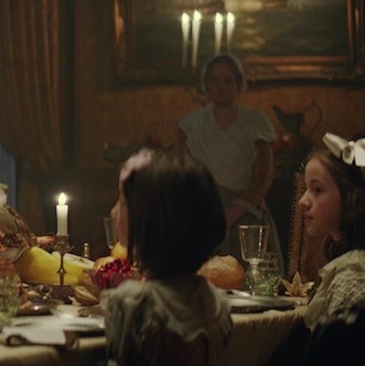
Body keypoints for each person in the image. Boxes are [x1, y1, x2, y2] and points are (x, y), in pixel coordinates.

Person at [107, 151, 232, 366]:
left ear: (148, 220)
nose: (114, 212)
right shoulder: (212, 300)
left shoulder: (136, 303)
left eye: (123, 203)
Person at [176, 53, 283, 267]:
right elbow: (185, 176)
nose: (221, 87)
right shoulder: (190, 126)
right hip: (204, 214)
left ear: (239, 84)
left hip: (247, 214)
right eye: (215, 81)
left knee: (250, 276)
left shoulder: (256, 122)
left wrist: (232, 215)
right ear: (206, 85)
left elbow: (264, 177)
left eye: (228, 80)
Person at [298, 131, 365, 363]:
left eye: (317, 190)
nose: (303, 201)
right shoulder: (347, 262)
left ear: (352, 199)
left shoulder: (354, 275)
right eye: (306, 189)